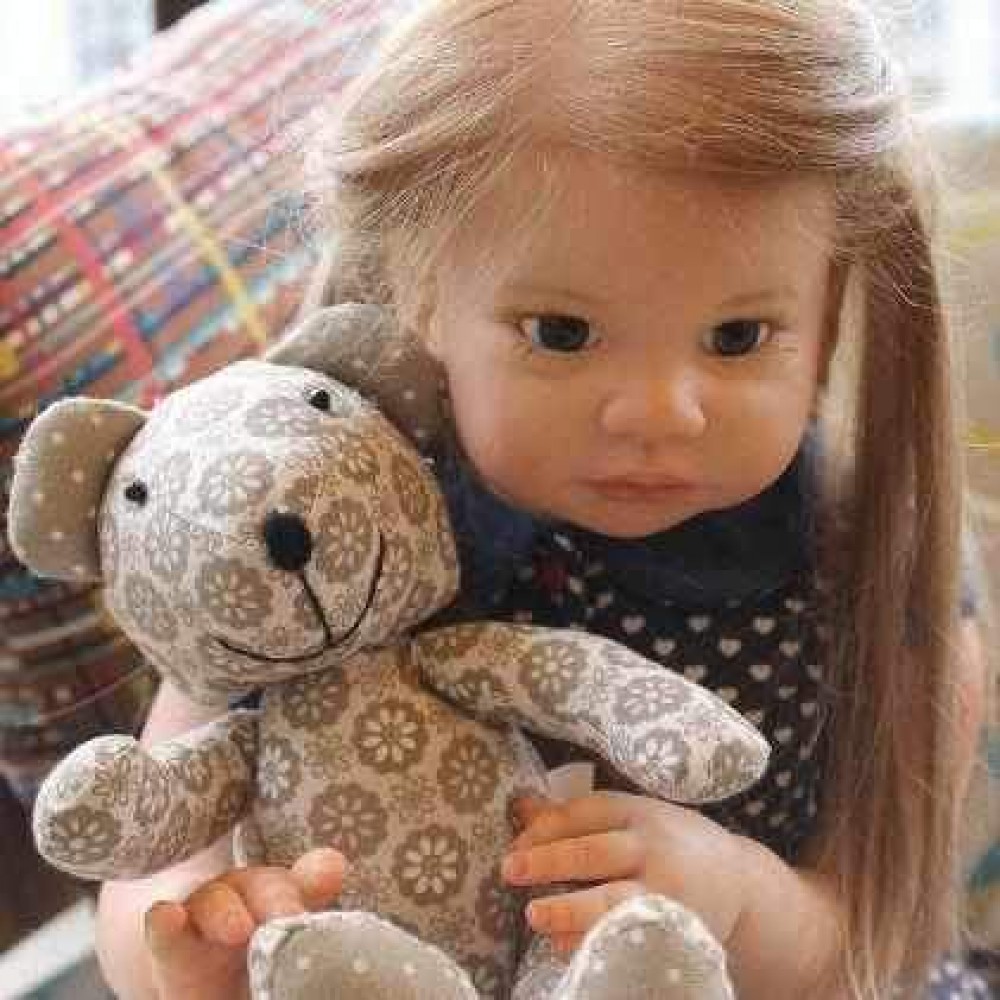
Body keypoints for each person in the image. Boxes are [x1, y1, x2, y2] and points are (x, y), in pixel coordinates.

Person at [94, 1, 991, 998]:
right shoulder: (306, 522)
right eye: (562, 333)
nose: (661, 412)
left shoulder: (878, 566)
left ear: (828, 304)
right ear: (421, 284)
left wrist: (739, 898)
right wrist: (199, 943)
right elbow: (145, 875)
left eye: (736, 337)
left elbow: (879, 942)